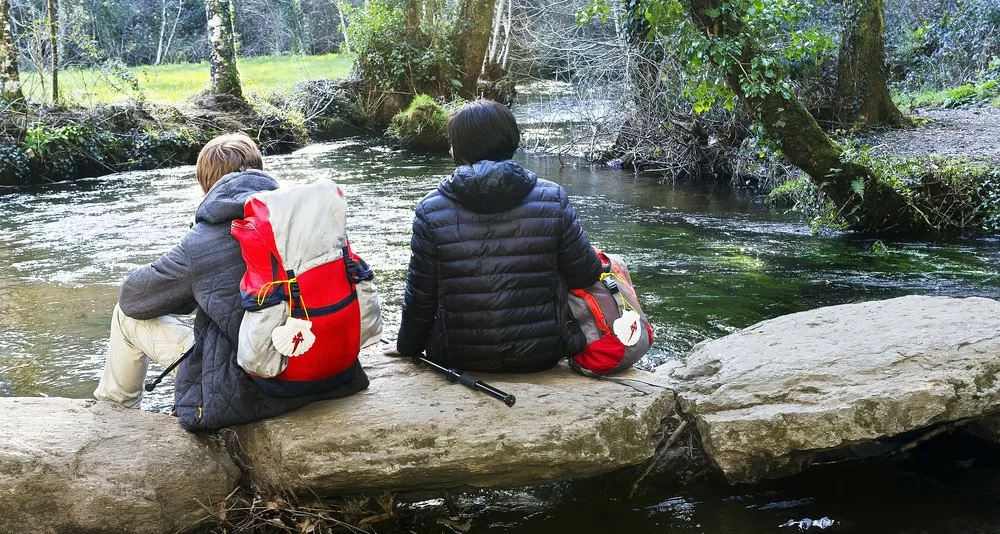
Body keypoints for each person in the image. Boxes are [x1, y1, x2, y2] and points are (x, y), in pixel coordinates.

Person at [94, 133, 369, 430]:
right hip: (330, 370)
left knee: (125, 317)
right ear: (260, 171)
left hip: (254, 386)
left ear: (205, 187)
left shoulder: (202, 241)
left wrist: (192, 278)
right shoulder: (304, 219)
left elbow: (133, 298)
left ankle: (113, 416)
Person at [385, 100, 603, 373]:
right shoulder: (553, 198)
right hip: (542, 353)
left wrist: (408, 346)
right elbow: (585, 275)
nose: (449, 148)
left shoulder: (430, 209)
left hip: (456, 356)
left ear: (462, 149)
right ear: (510, 140)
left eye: (452, 142)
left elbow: (421, 294)